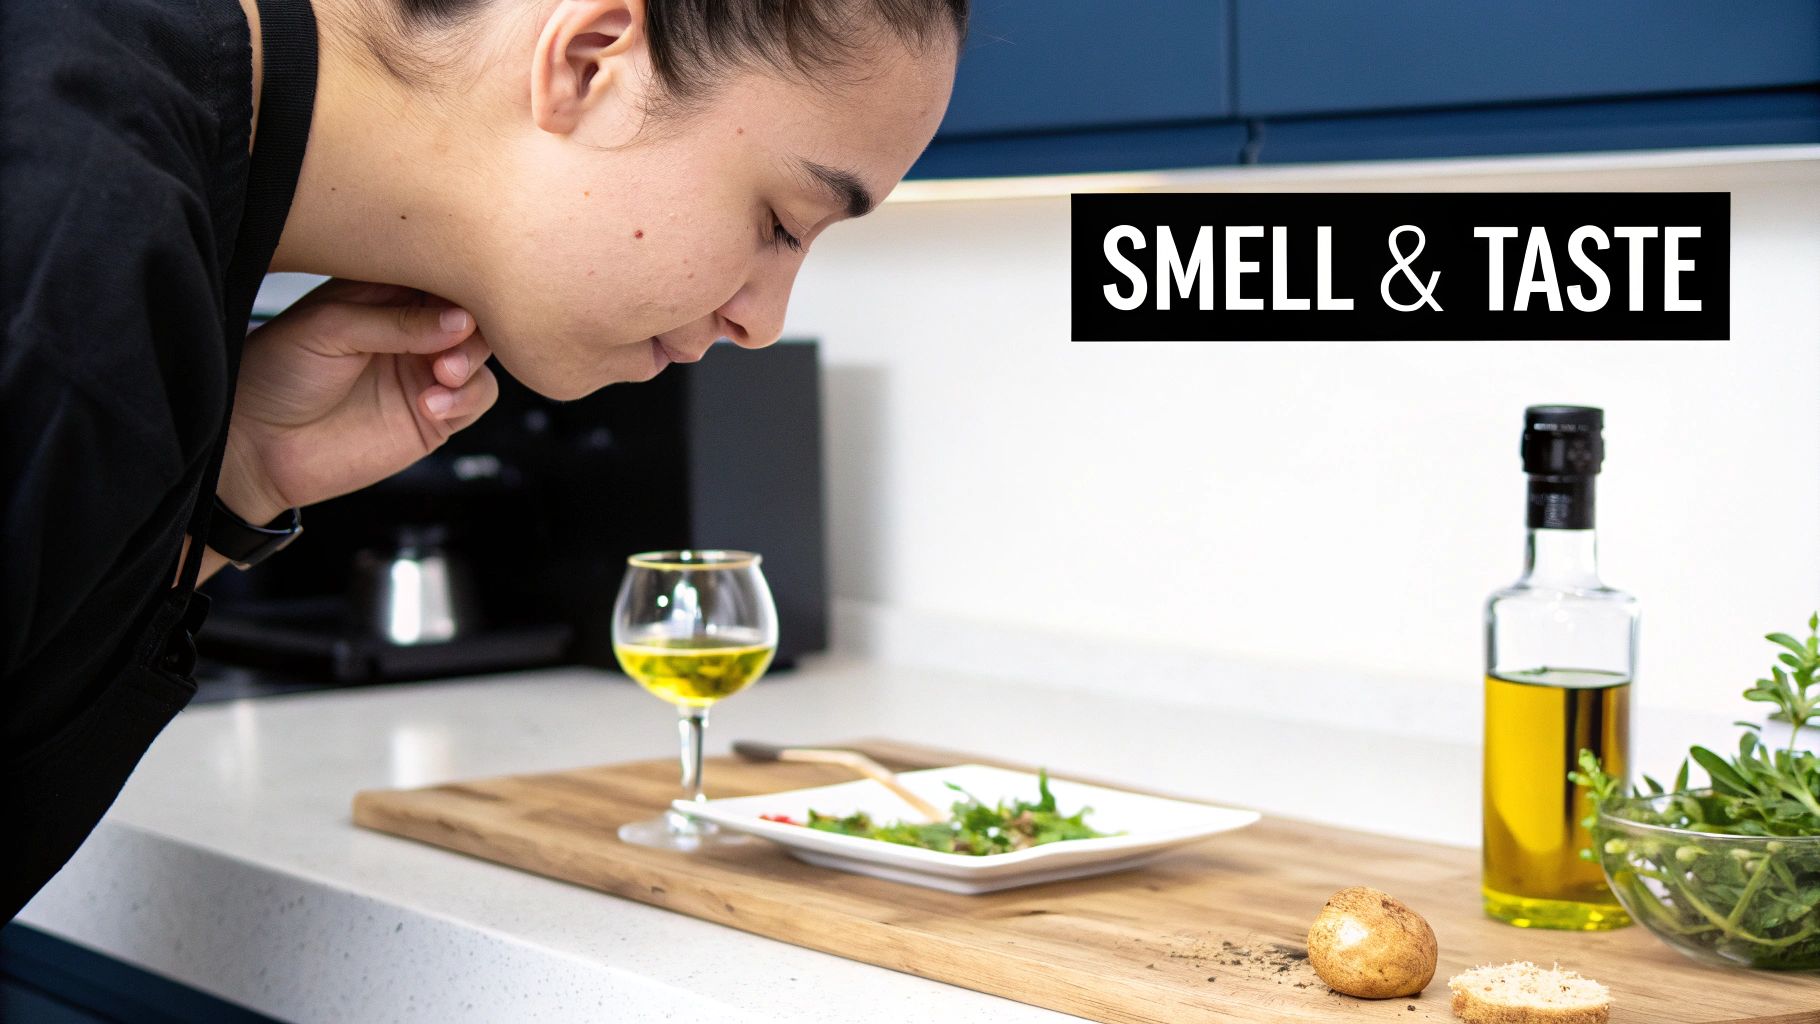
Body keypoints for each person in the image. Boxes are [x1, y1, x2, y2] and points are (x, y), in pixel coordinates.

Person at [2, 0, 964, 918]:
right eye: (783, 223)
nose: (764, 321)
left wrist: (237, 479)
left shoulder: (133, 143)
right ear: (589, 61)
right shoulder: (79, 226)